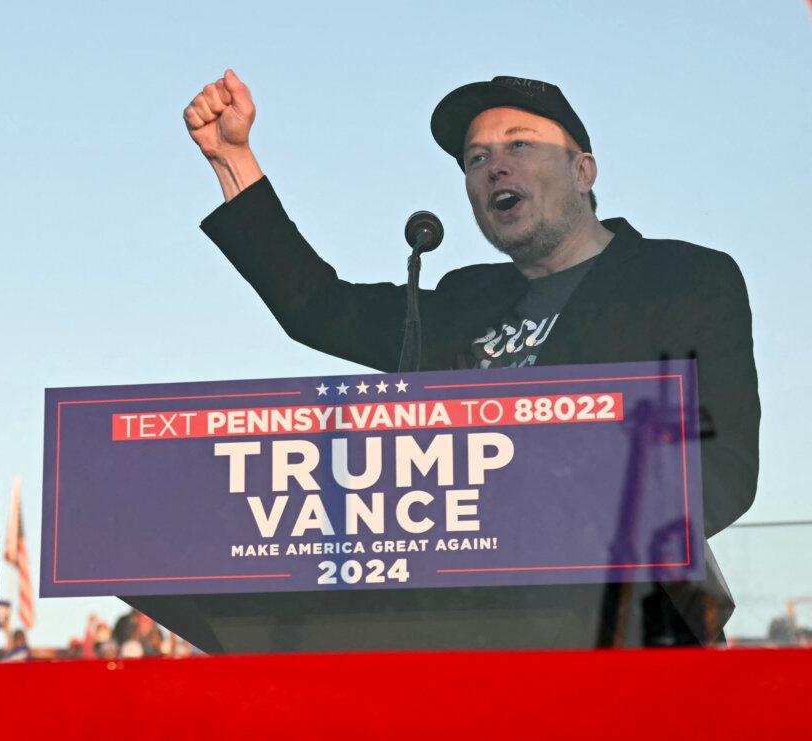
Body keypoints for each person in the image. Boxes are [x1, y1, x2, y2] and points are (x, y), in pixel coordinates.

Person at [184, 71, 759, 644]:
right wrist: (233, 158)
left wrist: (581, 529)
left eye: (520, 144)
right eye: (475, 158)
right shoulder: (465, 299)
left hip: (629, 629)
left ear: (583, 171)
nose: (494, 167)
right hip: (472, 633)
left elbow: (724, 466)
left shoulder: (683, 279)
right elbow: (320, 308)